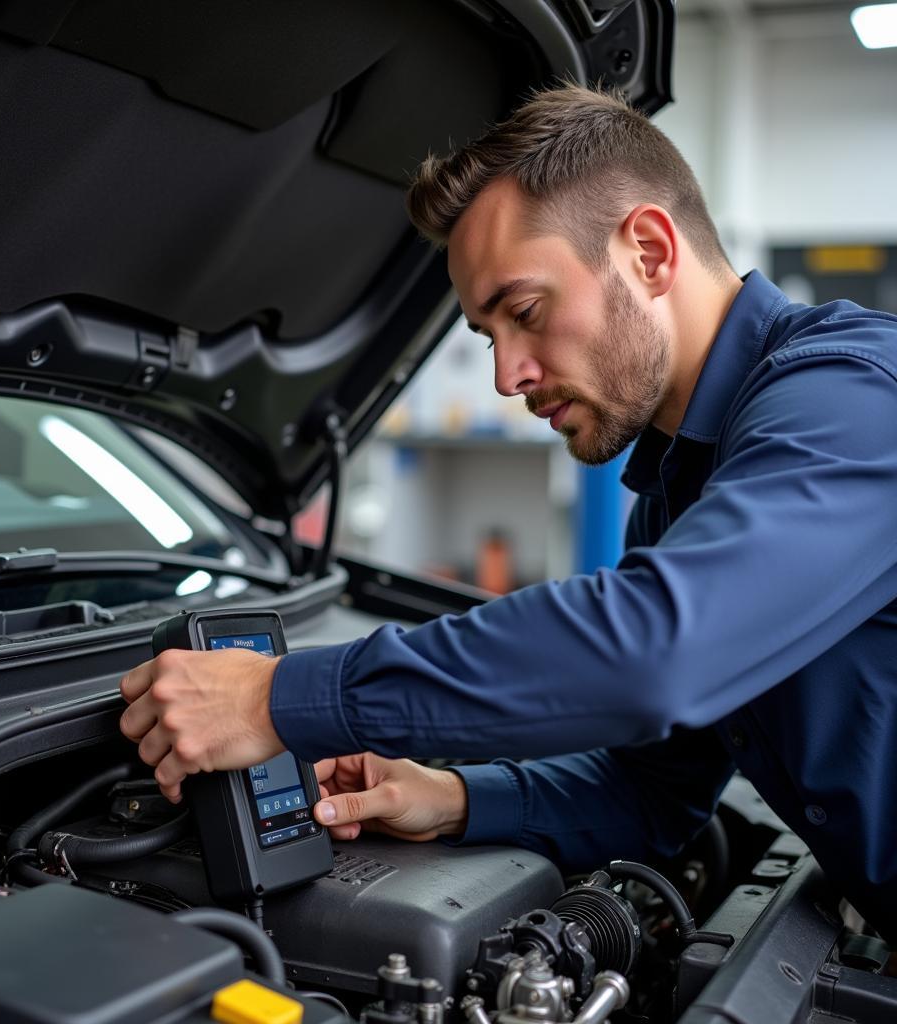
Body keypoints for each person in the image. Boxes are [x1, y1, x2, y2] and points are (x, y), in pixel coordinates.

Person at [119, 86, 897, 940]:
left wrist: (284, 698)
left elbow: (653, 651)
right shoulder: (682, 484)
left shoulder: (855, 397)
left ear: (647, 250)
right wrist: (449, 798)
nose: (507, 375)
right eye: (489, 336)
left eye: (524, 313)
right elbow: (653, 795)